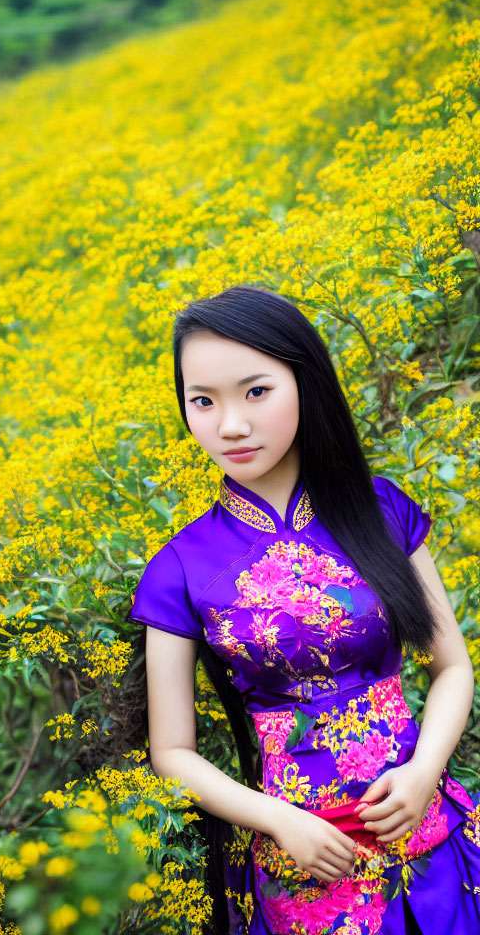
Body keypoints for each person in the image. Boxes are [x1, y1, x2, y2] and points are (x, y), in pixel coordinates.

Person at [127, 286, 480, 935]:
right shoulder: (178, 567)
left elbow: (452, 667)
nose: (229, 424)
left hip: (433, 836)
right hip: (308, 866)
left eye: (255, 391)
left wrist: (425, 772)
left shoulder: (380, 511)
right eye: (202, 401)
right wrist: (279, 820)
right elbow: (172, 752)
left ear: (306, 383)